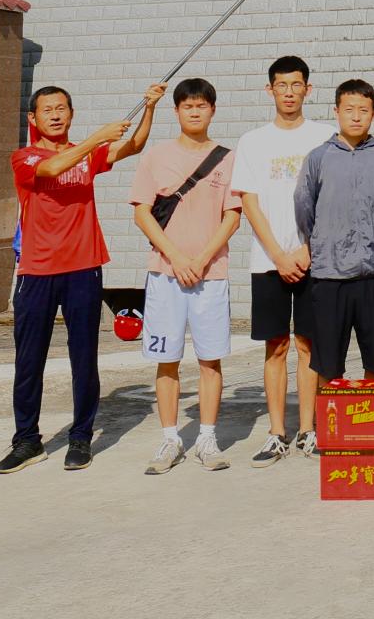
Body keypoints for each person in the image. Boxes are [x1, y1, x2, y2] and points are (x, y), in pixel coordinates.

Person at [0, 82, 163, 475]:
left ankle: (81, 436)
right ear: (33, 118)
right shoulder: (25, 157)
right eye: (47, 109)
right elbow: (53, 168)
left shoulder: (88, 155)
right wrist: (97, 138)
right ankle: (27, 441)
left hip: (84, 267)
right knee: (29, 359)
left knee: (84, 357)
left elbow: (134, 145)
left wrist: (150, 108)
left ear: (71, 114)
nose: (55, 115)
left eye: (62, 108)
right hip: (37, 271)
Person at [128, 78, 241, 475]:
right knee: (167, 359)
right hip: (165, 274)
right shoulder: (156, 156)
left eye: (201, 105)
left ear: (213, 110)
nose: (195, 112)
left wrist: (202, 258)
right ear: (176, 111)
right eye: (187, 106)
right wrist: (176, 257)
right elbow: (142, 212)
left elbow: (232, 216)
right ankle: (170, 438)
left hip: (212, 274)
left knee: (210, 359)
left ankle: (207, 437)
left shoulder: (228, 158)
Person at [234, 55, 335, 469]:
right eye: (281, 85)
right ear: (270, 90)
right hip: (268, 260)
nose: (289, 93)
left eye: (296, 85)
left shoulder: (325, 136)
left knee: (309, 344)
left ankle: (309, 430)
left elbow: (330, 200)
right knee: (275, 346)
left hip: (314, 259)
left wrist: (307, 250)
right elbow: (249, 201)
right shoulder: (253, 141)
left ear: (308, 89)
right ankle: (277, 432)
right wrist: (278, 254)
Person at [295, 79, 374, 384]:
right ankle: (331, 416)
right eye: (349, 109)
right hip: (330, 276)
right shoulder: (319, 157)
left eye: (363, 110)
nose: (356, 117)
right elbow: (304, 208)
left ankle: (372, 413)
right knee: (328, 364)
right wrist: (319, 244)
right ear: (336, 111)